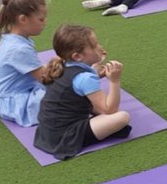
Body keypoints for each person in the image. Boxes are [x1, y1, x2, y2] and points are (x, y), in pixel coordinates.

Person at [33, 24, 131, 159]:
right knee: (122, 117)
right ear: (78, 56)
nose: (100, 47)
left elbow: (78, 85)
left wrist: (96, 69)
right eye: (95, 45)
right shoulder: (85, 78)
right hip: (65, 137)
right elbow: (110, 110)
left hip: (47, 133)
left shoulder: (63, 65)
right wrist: (114, 81)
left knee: (101, 111)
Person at [0, 0, 48, 126]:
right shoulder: (19, 49)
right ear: (23, 19)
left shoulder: (10, 38)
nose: (45, 23)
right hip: (14, 105)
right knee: (69, 94)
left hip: (4, 99)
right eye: (41, 19)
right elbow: (46, 79)